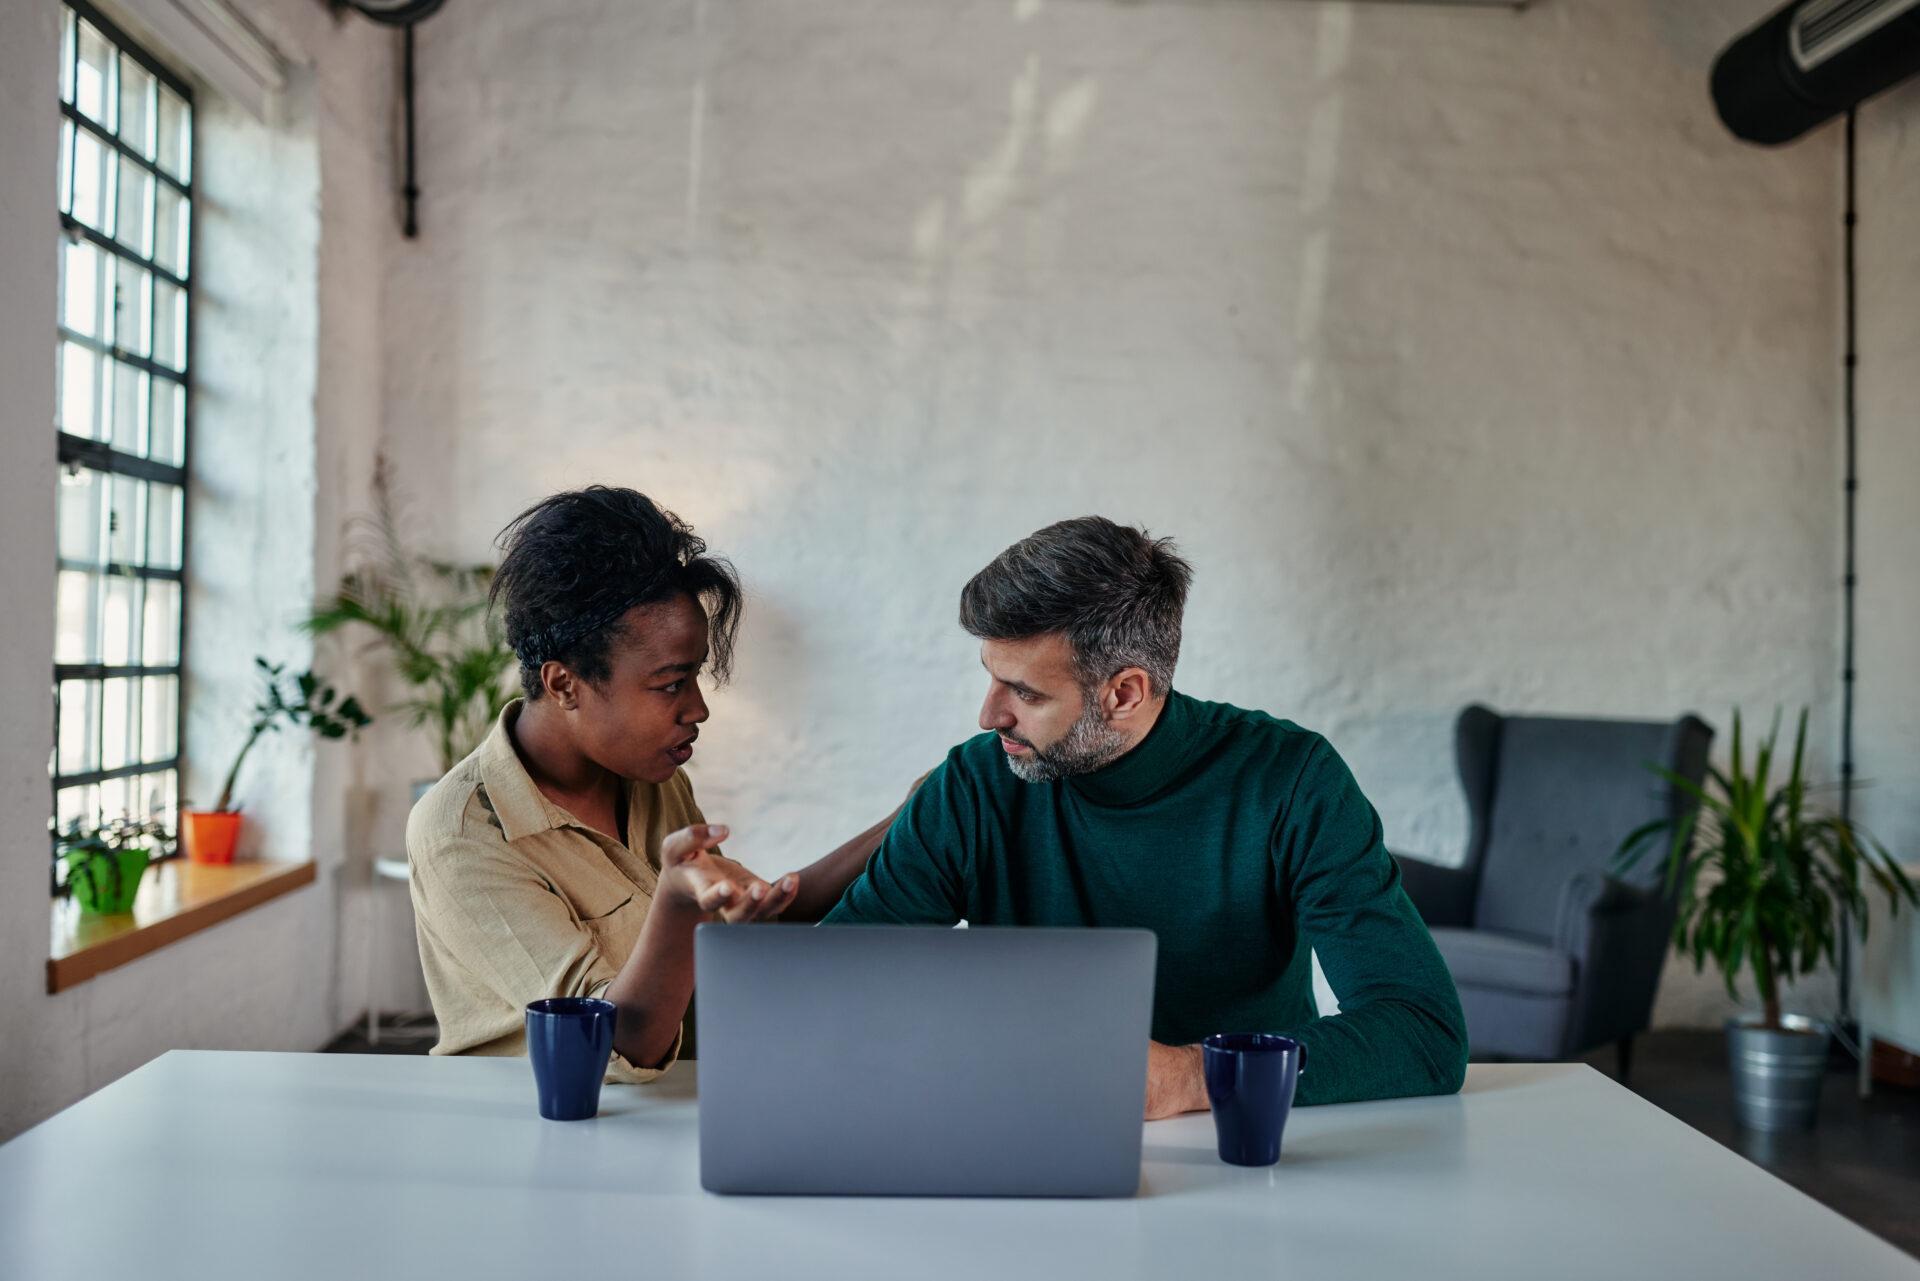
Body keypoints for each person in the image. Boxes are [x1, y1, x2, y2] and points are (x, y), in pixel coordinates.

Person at [825, 516, 1468, 1117]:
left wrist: (1192, 1077)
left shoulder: (1290, 778)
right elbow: (833, 984)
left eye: (1025, 692)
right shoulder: (972, 784)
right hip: (1025, 1133)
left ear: (1125, 693)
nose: (989, 715)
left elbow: (1423, 1030)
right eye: (993, 678)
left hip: (1242, 1153)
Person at [407, 487, 892, 1081]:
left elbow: (736, 930)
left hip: (670, 1115)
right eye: (670, 683)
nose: (697, 709)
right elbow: (611, 1043)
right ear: (564, 684)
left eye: (694, 677)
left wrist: (914, 813)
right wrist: (678, 902)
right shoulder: (463, 833)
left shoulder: (651, 779)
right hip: (542, 1130)